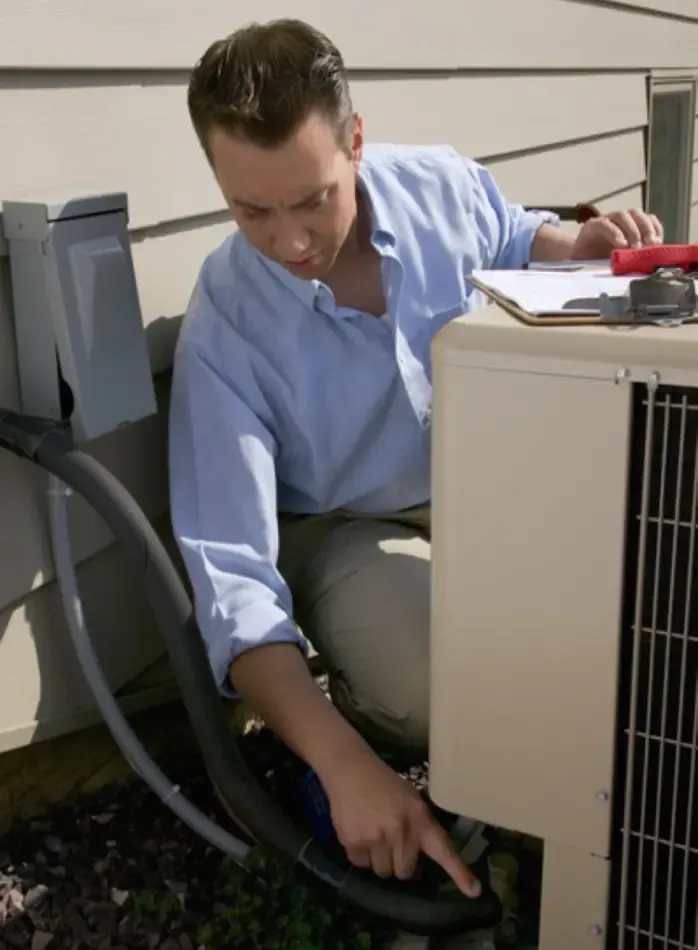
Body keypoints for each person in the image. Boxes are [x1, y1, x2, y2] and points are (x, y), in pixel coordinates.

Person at [168, 17, 663, 900]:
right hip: (344, 526)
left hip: (481, 481)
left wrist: (576, 246)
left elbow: (514, 240)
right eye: (253, 210)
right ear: (218, 181)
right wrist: (349, 767)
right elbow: (234, 580)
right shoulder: (227, 322)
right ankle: (350, 713)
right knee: (446, 680)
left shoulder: (439, 184)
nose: (289, 241)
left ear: (356, 140)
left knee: (617, 607)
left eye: (314, 197)